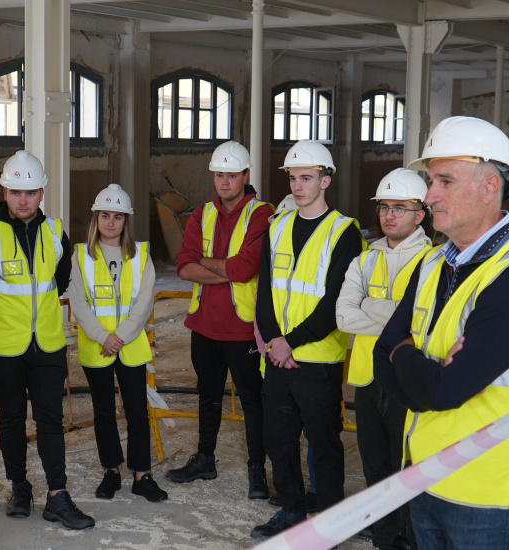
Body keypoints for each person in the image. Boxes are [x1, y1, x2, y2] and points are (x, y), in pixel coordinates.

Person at [369, 117, 509, 549]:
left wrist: (405, 357)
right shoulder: (434, 264)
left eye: (444, 181)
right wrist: (421, 368)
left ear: (488, 187)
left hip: (487, 493)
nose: (429, 195)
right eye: (430, 180)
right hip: (426, 475)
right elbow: (380, 358)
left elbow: (443, 391)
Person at [0, 151, 92, 529]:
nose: (23, 200)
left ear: (42, 193)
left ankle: (57, 495)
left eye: (31, 192)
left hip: (48, 344)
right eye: (15, 192)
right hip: (2, 345)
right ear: (4, 191)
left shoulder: (56, 232)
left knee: (50, 420)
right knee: (11, 419)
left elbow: (59, 280)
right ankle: (19, 487)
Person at [251, 140, 364, 540]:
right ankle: (293, 510)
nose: (298, 186)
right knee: (277, 439)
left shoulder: (344, 232)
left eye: (306, 178)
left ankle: (331, 522)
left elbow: (335, 298)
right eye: (293, 179)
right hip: (278, 358)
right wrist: (272, 342)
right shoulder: (277, 226)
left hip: (317, 360)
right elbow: (265, 293)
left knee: (324, 442)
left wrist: (289, 343)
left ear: (325, 181)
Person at [168, 141, 273, 500]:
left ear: (246, 176)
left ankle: (257, 468)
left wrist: (212, 263)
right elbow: (184, 265)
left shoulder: (261, 214)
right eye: (219, 175)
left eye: (231, 175)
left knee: (252, 400)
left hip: (242, 327)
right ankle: (205, 459)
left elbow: (247, 269)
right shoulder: (202, 214)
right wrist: (229, 266)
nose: (225, 181)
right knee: (207, 396)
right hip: (204, 324)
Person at [336, 167, 433, 550]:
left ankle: (408, 536)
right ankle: (384, 534)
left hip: (406, 381)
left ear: (419, 214)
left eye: (400, 207)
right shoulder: (365, 258)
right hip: (367, 376)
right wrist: (393, 315)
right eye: (384, 207)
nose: (389, 214)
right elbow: (343, 316)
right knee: (375, 464)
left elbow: (422, 326)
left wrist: (366, 304)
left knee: (406, 465)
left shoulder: (433, 261)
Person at [68, 183, 168, 504]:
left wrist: (119, 336)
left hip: (130, 347)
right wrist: (103, 337)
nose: (111, 222)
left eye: (118, 217)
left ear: (126, 221)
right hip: (98, 348)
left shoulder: (140, 256)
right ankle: (111, 471)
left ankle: (142, 475)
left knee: (137, 412)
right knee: (104, 413)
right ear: (96, 218)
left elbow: (144, 302)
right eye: (105, 216)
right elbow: (78, 302)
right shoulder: (80, 256)